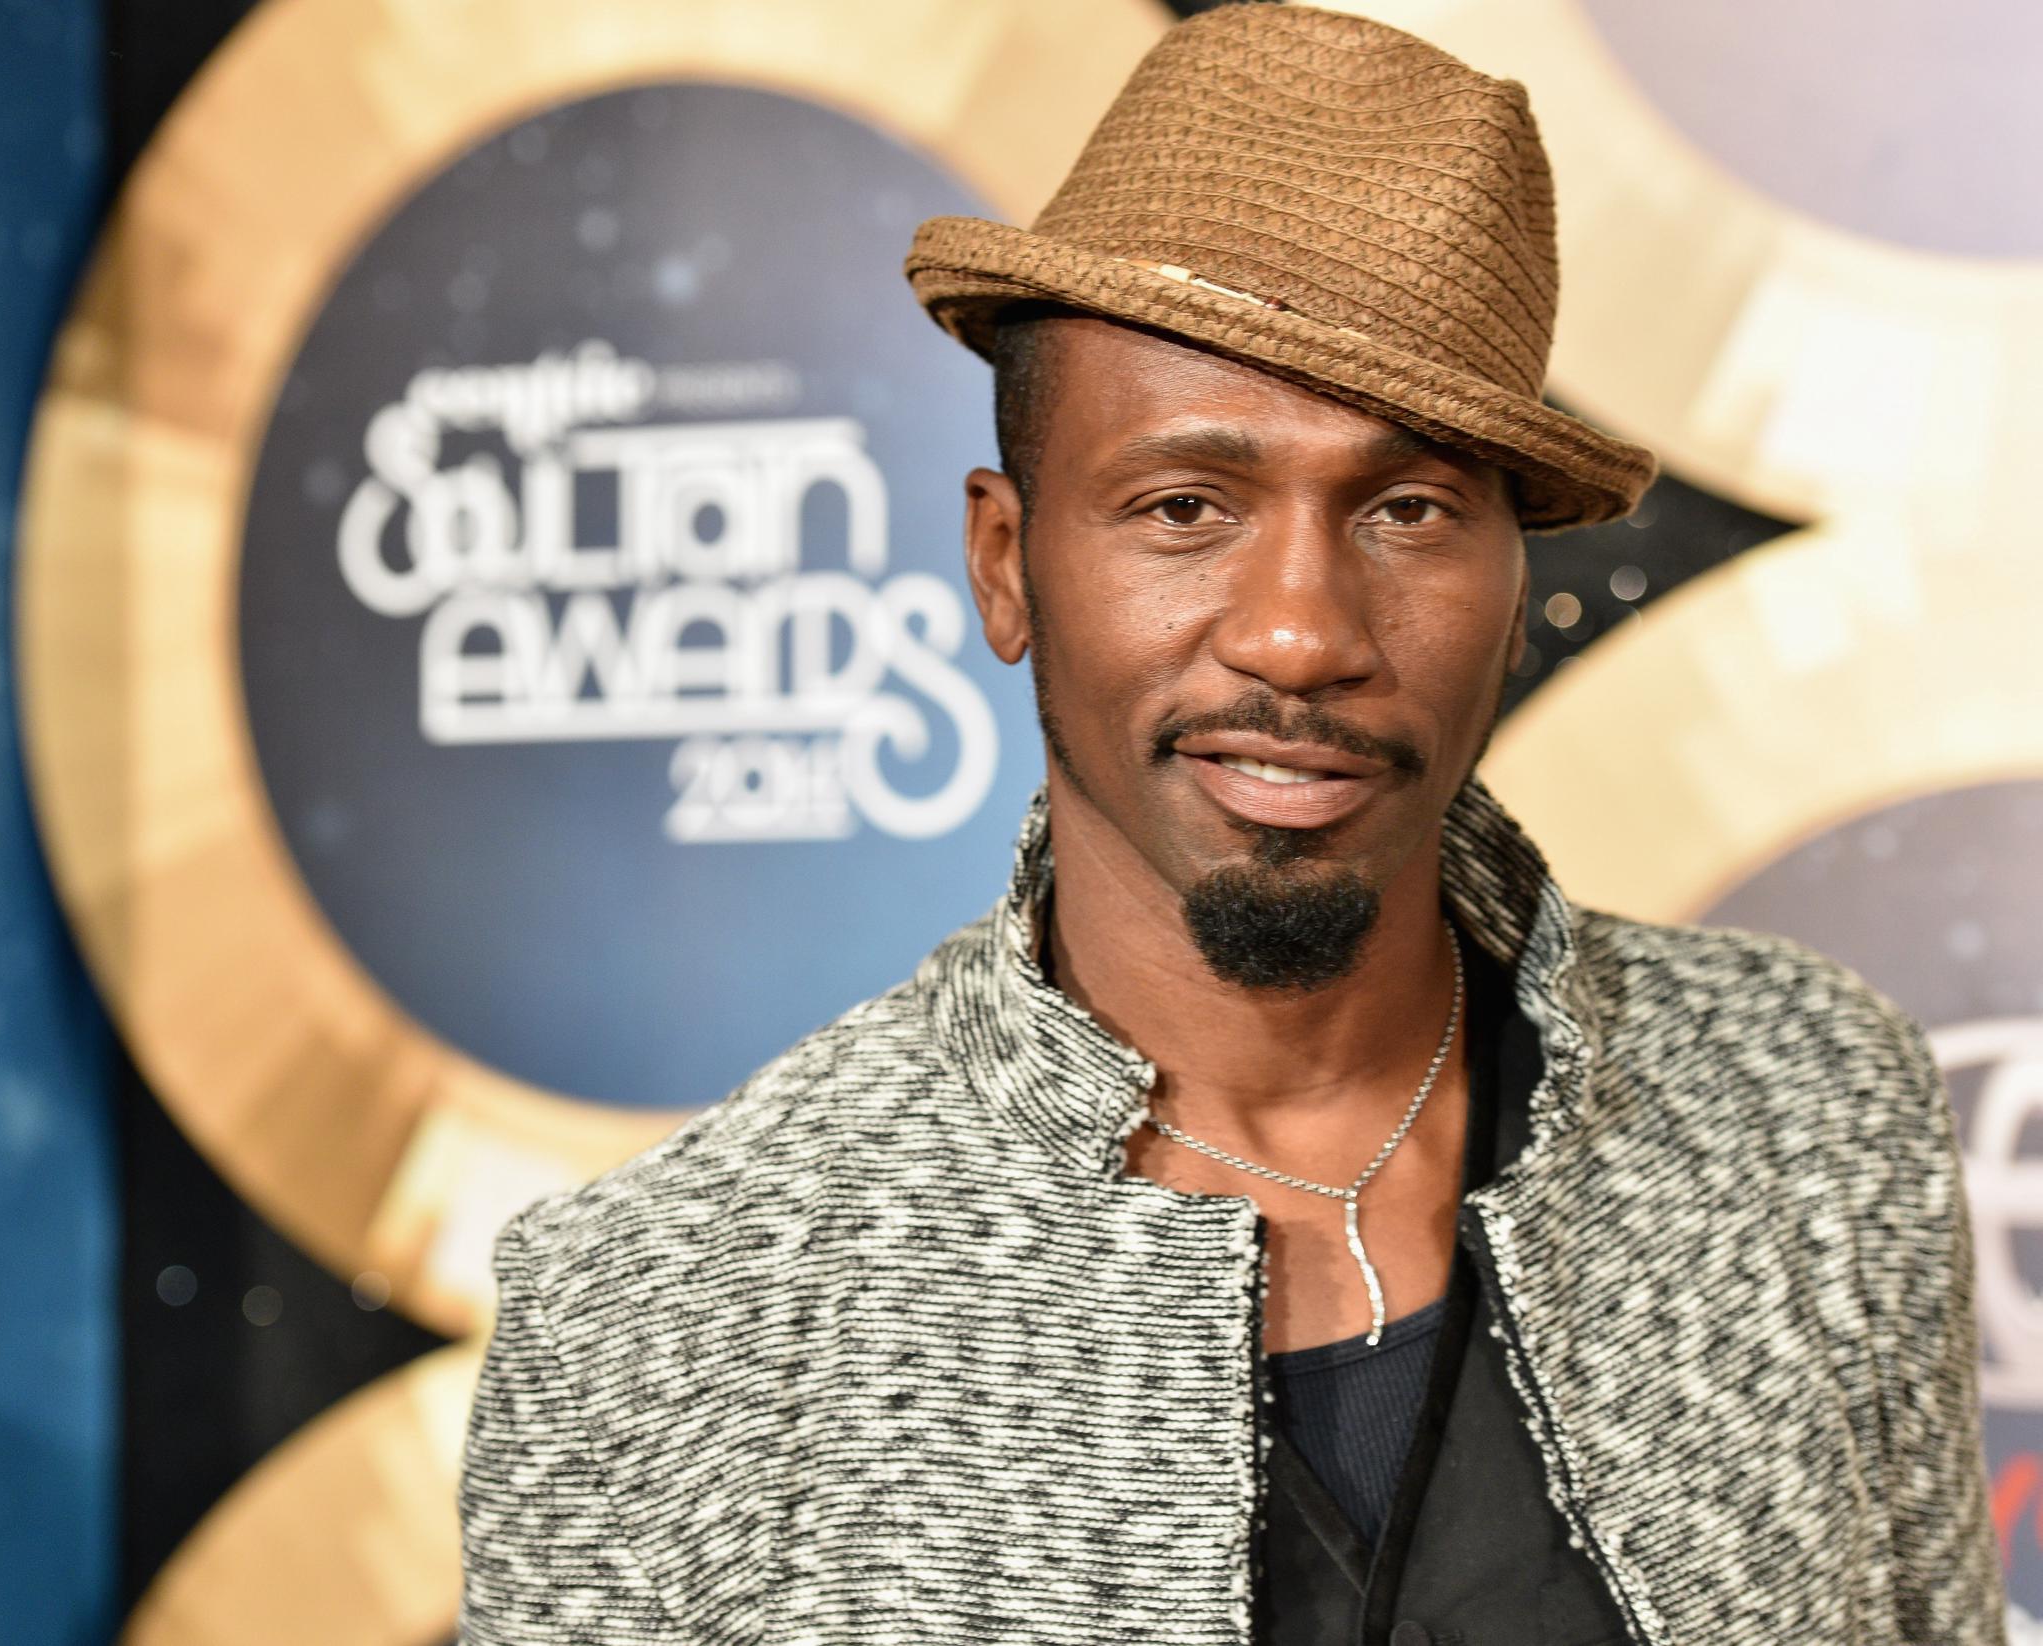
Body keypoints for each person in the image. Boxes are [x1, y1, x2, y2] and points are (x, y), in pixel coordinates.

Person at [457, 5, 2005, 1643]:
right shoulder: (658, 1315)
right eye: (1186, 507)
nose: (1299, 633)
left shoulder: (1810, 1105)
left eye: (1408, 508)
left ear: (1513, 591)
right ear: (1005, 564)